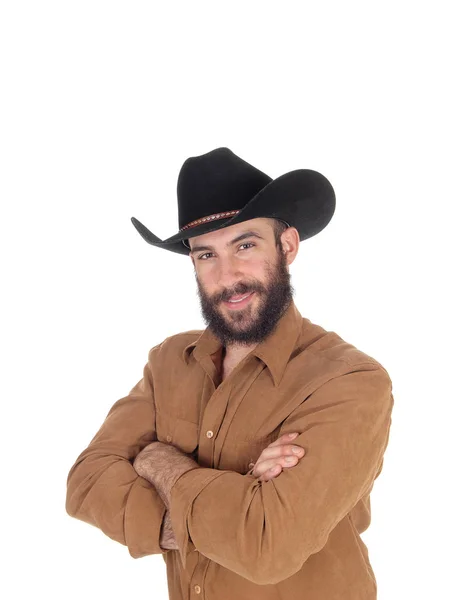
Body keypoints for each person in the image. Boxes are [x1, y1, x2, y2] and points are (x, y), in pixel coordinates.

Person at [66, 147, 394, 600]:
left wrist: (161, 463)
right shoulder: (168, 362)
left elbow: (267, 547)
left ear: (287, 246)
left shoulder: (349, 382)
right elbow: (86, 483)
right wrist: (236, 508)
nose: (228, 275)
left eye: (245, 245)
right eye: (206, 255)